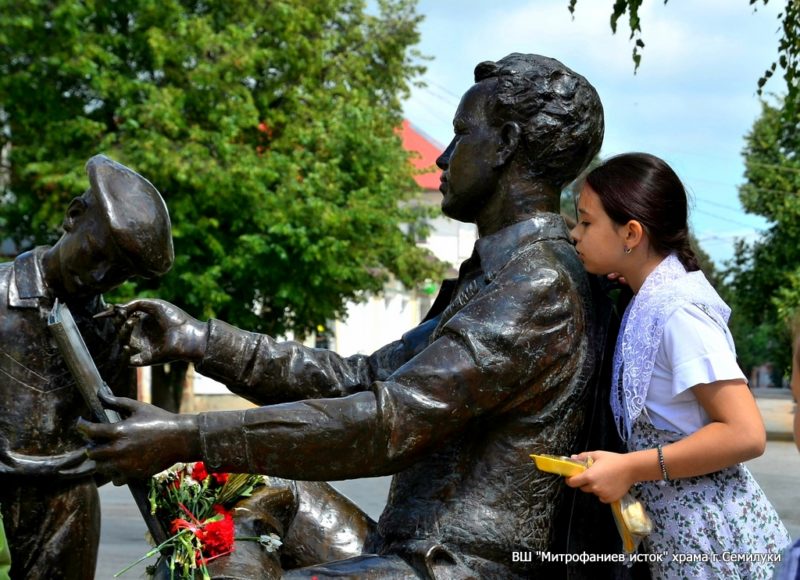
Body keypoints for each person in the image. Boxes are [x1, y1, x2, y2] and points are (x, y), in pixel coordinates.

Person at [80, 53, 609, 578]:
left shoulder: (538, 286)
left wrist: (187, 435)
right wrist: (200, 340)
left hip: (460, 568)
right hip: (409, 548)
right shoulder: (497, 272)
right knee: (265, 488)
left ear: (506, 145)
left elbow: (387, 423)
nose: (443, 158)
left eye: (460, 134)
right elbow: (358, 378)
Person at [567, 152, 791, 578]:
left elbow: (746, 433)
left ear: (631, 232)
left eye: (586, 222)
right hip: (676, 545)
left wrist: (629, 467)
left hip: (715, 545)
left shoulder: (678, 313)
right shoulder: (646, 301)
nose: (575, 235)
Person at [0, 154, 174, 579]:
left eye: (117, 273)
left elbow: (117, 432)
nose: (99, 276)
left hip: (66, 504)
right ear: (73, 218)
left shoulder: (109, 334)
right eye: (97, 253)